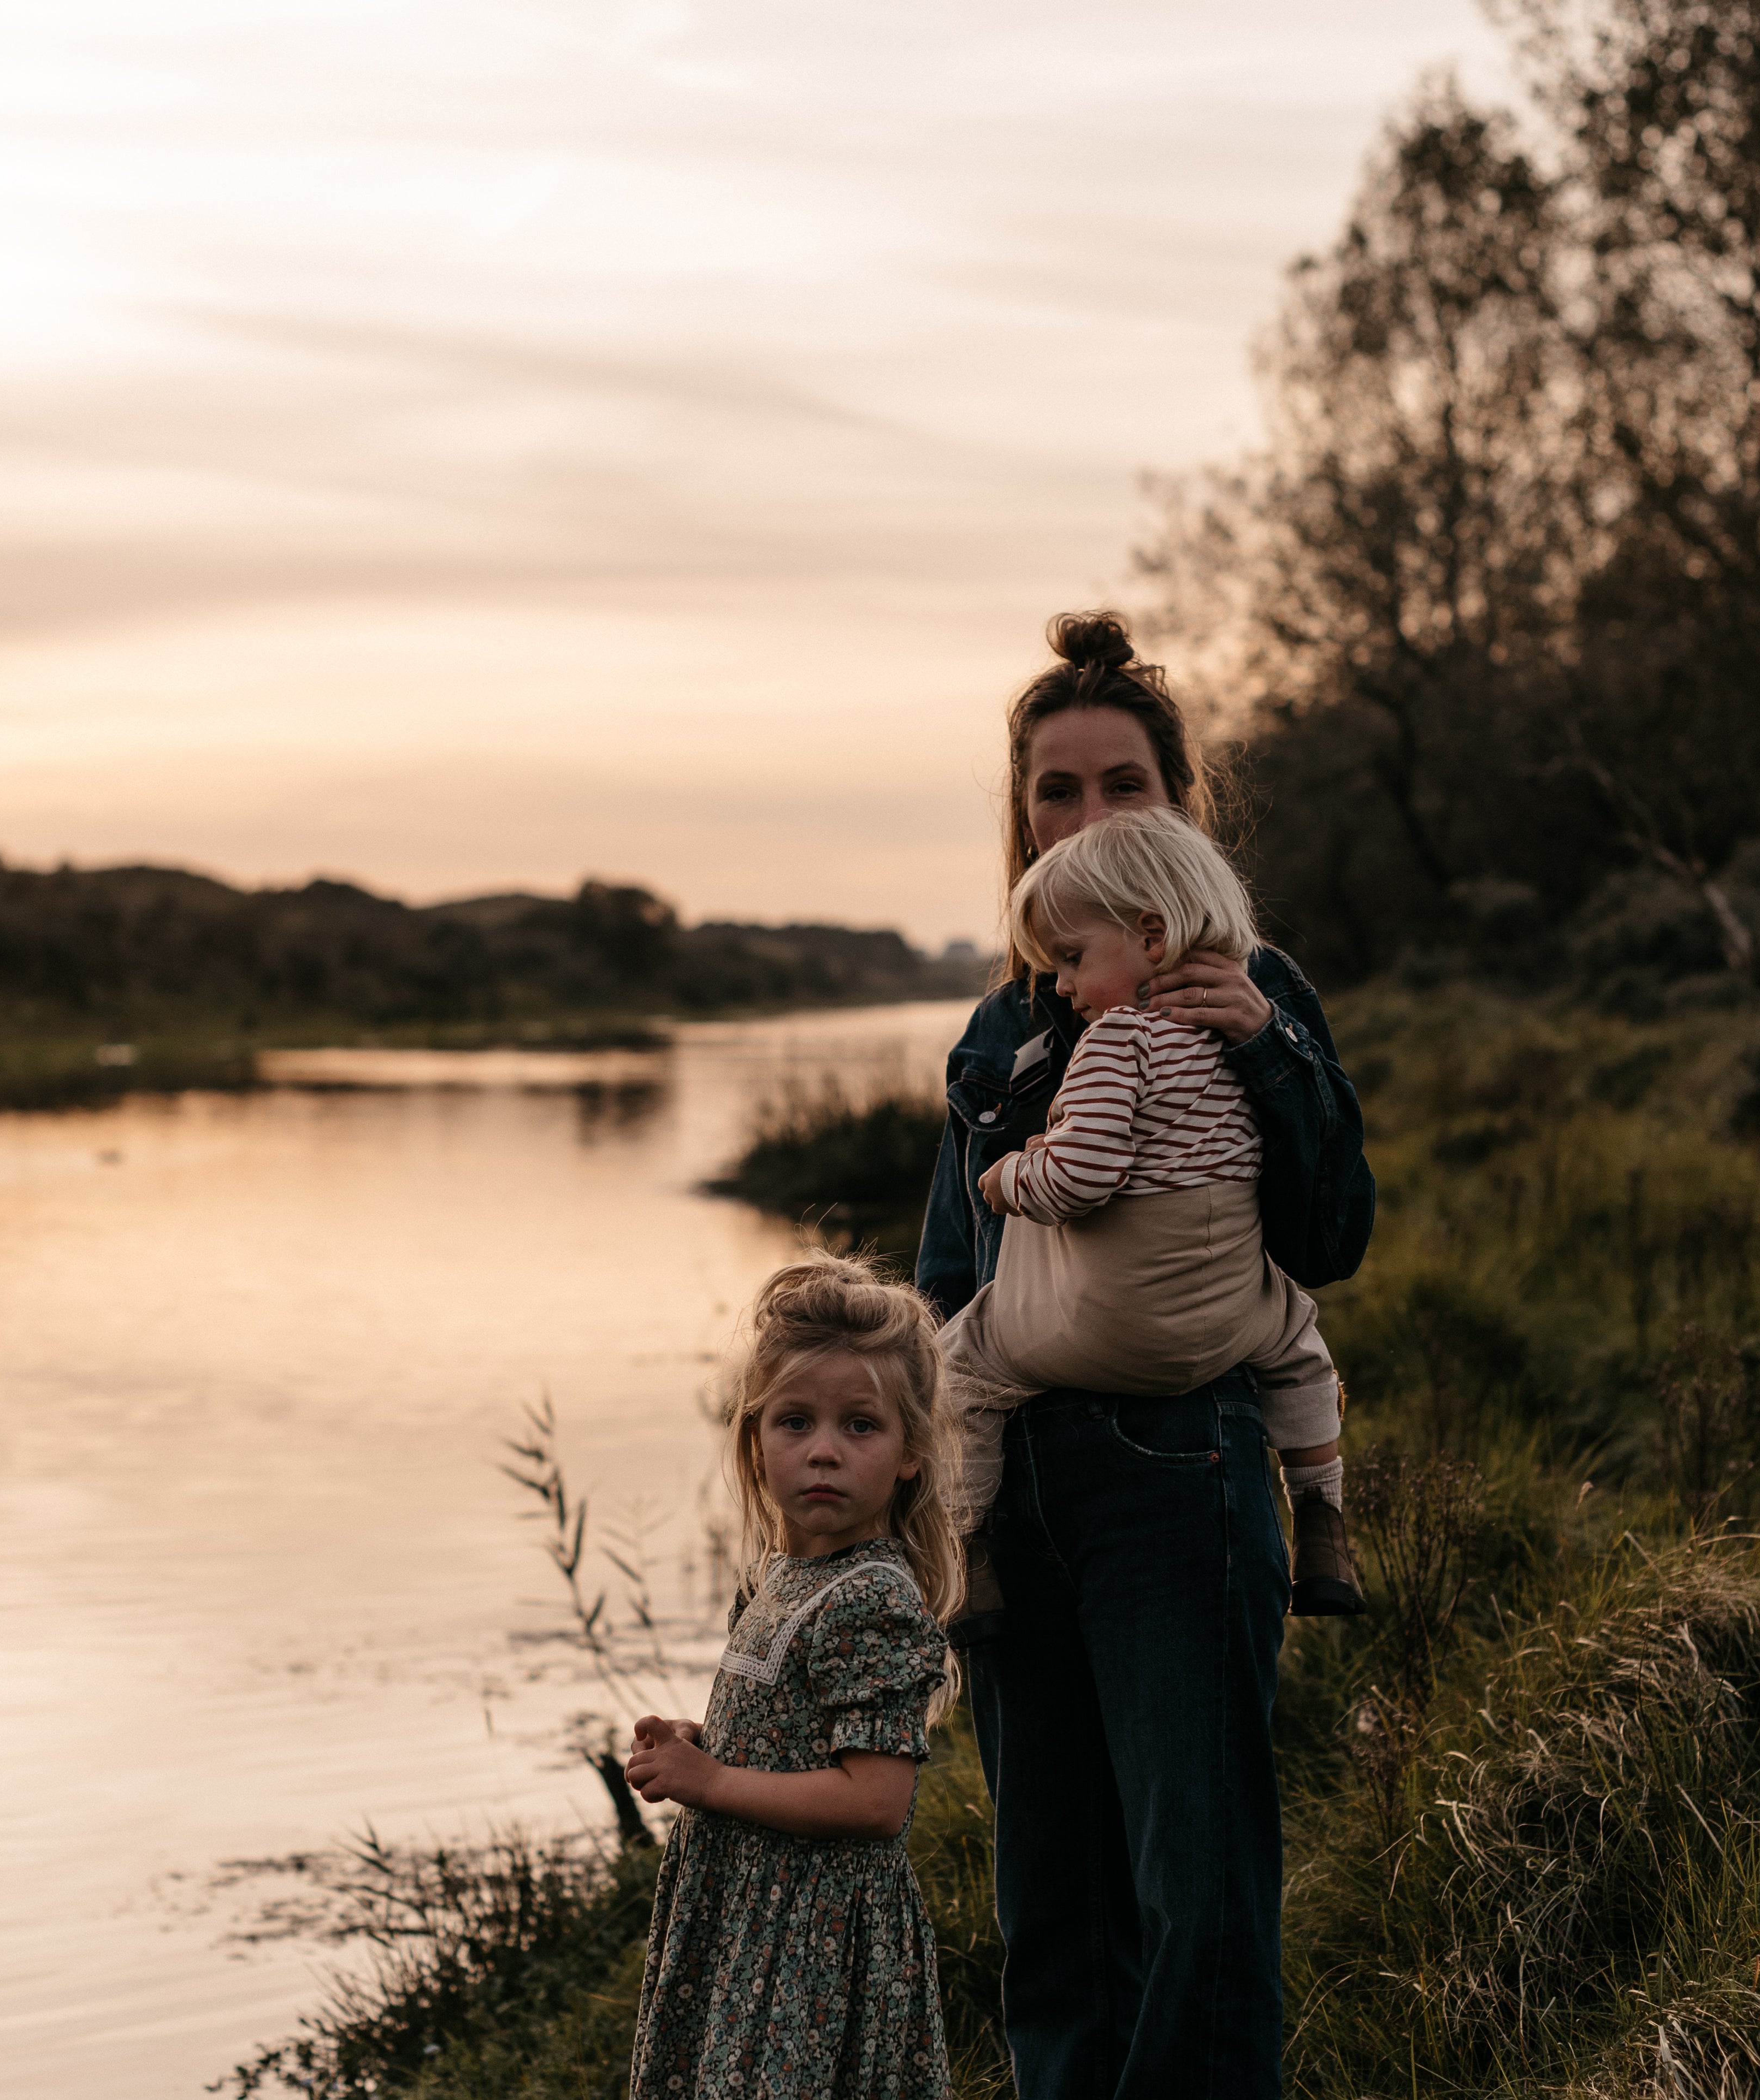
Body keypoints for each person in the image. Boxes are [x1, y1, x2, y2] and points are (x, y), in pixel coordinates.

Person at [915, 610, 1377, 2100]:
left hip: (1181, 1468)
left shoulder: (1255, 989)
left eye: (1126, 783)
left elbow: (1329, 1237)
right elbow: (949, 1272)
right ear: (1021, 818)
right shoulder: (1001, 1023)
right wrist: (924, 1489)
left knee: (1198, 1884)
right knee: (1051, 1901)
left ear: (1183, 805)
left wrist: (1267, 1047)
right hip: (1013, 1486)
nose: (1090, 813)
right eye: (1057, 790)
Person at [939, 805, 1361, 1626]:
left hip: (1110, 1325)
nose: (1062, 986)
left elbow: (1083, 1177)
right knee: (1299, 1342)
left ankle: (966, 1553)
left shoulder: (1116, 1040)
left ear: (1153, 936)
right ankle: (1321, 1522)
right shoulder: (1236, 1044)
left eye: (1071, 959)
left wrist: (1008, 1176)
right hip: (1227, 1322)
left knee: (964, 1364)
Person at [624, 1255, 963, 2100]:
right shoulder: (777, 1575)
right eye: (795, 1422)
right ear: (754, 1439)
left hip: (812, 1936)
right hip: (749, 1916)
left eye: (860, 1425)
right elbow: (791, 1737)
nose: (822, 1450)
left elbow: (874, 1801)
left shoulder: (870, 1598)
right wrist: (701, 1746)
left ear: (910, 1452)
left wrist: (713, 1781)